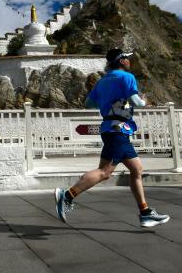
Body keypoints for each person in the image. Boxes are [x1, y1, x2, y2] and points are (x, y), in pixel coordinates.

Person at [54, 49, 170, 228]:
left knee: (136, 169)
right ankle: (68, 195)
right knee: (104, 172)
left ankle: (145, 213)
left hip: (110, 128)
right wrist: (143, 101)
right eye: (127, 58)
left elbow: (88, 103)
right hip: (119, 130)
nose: (129, 61)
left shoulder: (102, 81)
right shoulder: (127, 77)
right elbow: (137, 102)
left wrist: (108, 101)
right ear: (121, 61)